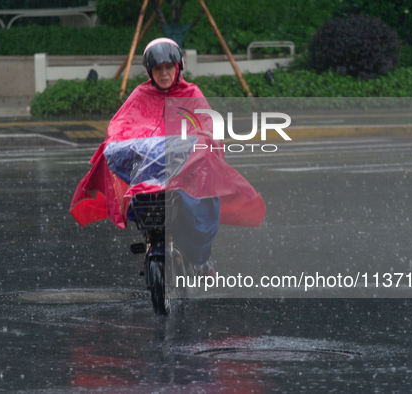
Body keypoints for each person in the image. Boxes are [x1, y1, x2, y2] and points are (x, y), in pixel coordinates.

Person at [69, 38, 266, 272]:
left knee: (200, 211)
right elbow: (120, 127)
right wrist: (118, 144)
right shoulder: (140, 94)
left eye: (168, 67)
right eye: (158, 69)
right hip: (149, 176)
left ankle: (199, 258)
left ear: (178, 67)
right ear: (150, 72)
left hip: (185, 174)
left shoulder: (191, 93)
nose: (164, 73)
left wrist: (198, 143)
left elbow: (207, 126)